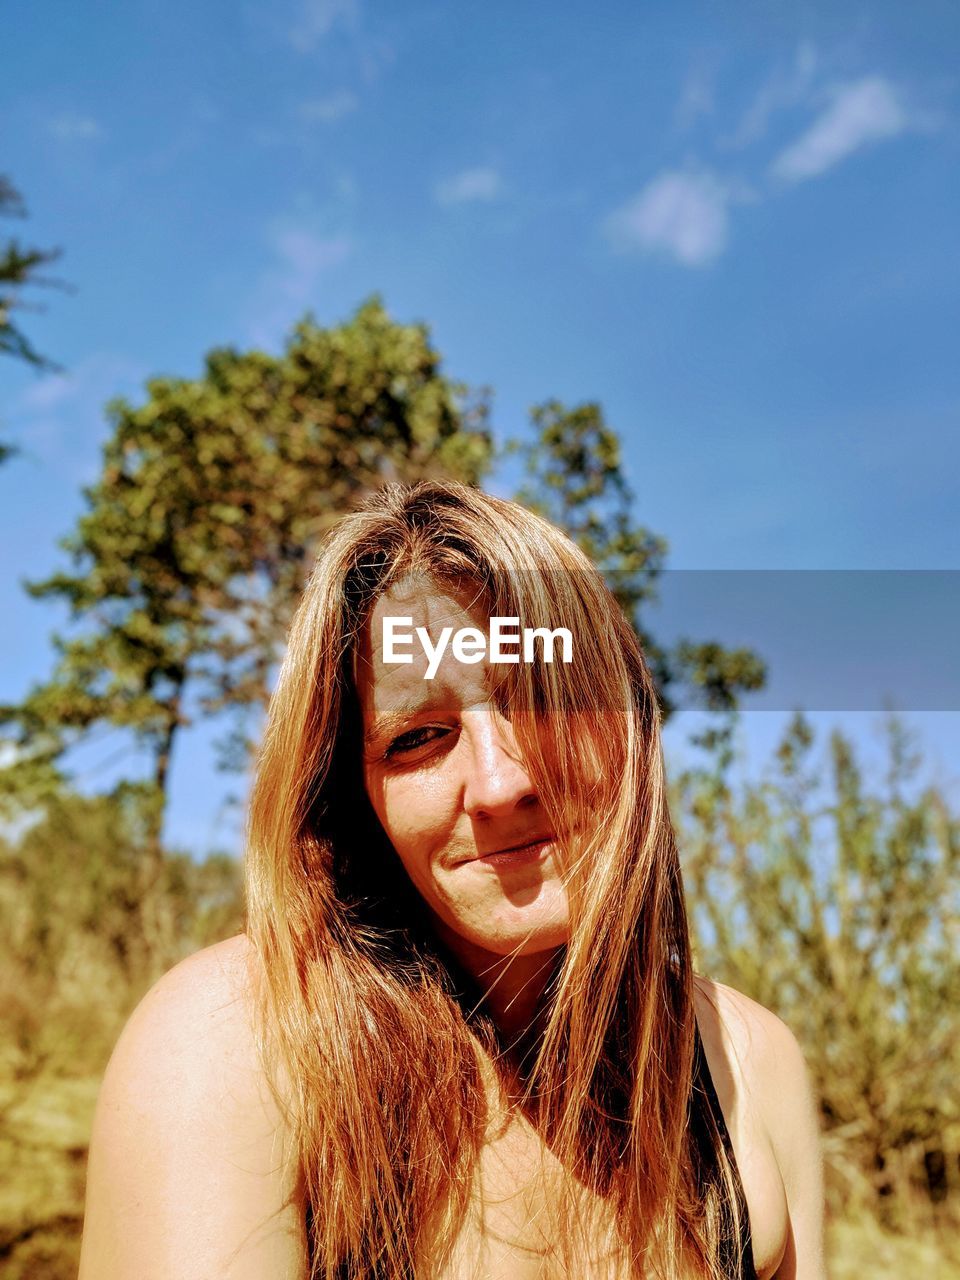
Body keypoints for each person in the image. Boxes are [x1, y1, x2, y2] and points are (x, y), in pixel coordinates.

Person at [78, 481, 825, 1279]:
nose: (501, 783)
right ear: (356, 799)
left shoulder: (750, 1065)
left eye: (544, 700)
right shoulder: (232, 1045)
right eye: (420, 738)